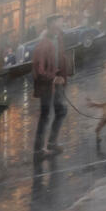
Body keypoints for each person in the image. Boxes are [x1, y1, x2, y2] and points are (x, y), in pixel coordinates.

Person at [30, 20, 73, 180]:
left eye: (60, 23)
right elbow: (38, 70)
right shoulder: (42, 45)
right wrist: (53, 78)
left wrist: (64, 76)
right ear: (49, 26)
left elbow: (61, 59)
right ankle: (38, 150)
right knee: (45, 115)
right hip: (47, 86)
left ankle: (52, 143)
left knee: (61, 111)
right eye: (56, 24)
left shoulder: (58, 38)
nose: (59, 26)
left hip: (57, 83)